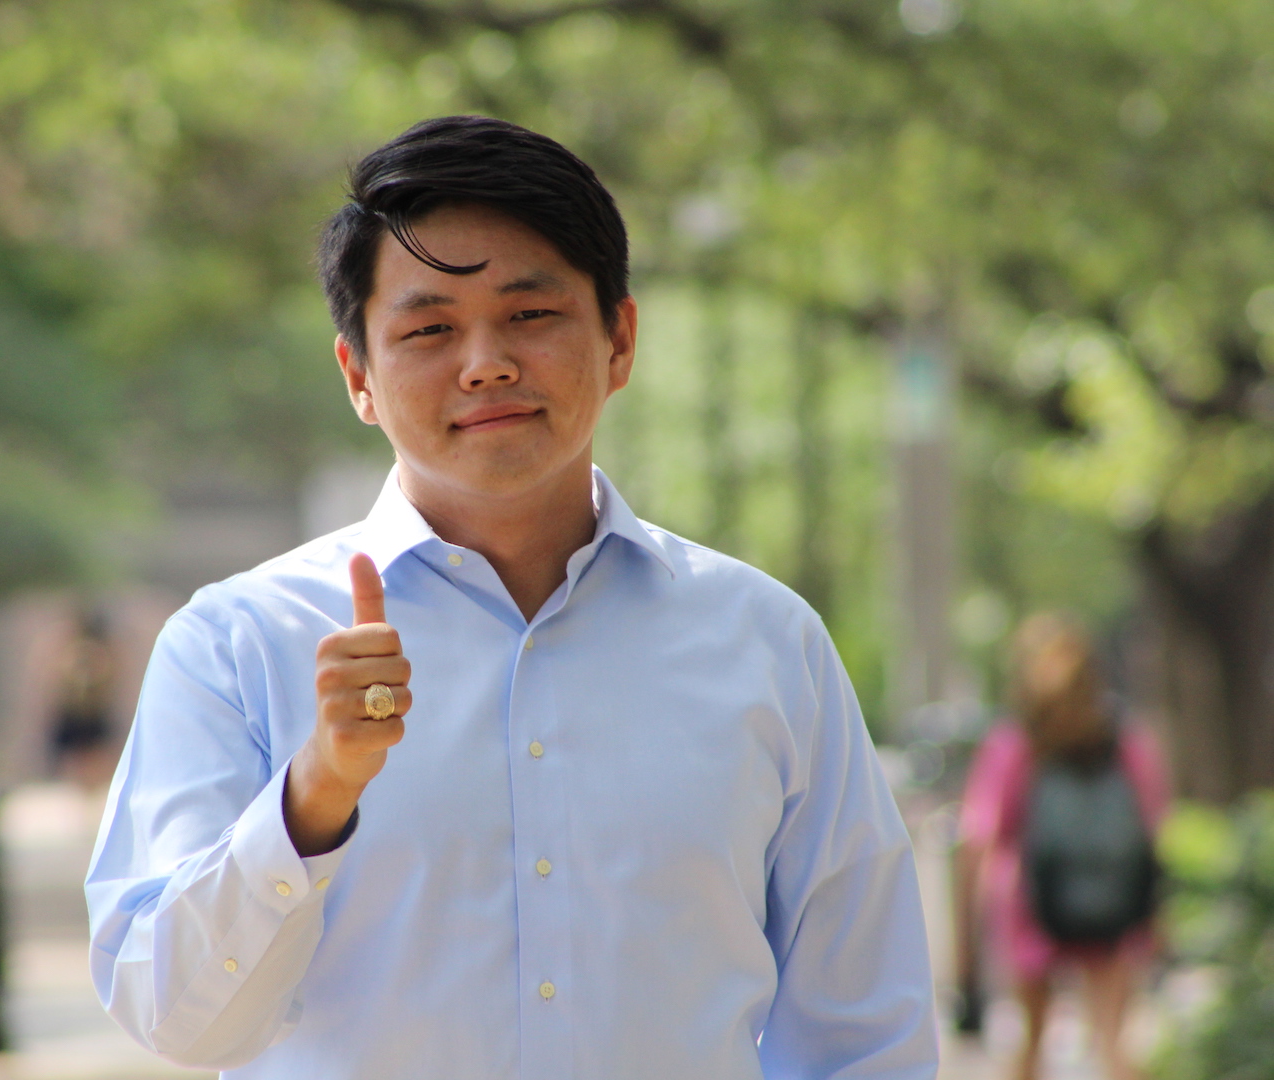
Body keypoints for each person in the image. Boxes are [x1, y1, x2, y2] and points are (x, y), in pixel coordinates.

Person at [86, 116, 936, 1078]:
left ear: (618, 339)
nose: (484, 361)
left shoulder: (767, 643)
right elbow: (175, 1021)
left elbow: (864, 1031)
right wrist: (314, 796)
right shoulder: (236, 645)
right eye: (428, 328)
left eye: (530, 315)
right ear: (358, 375)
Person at [954, 613, 1169, 1080]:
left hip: (1030, 905)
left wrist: (965, 950)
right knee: (1114, 1044)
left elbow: (980, 837)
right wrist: (1158, 918)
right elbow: (1153, 826)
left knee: (1030, 1047)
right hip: (1115, 904)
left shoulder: (1012, 744)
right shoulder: (1124, 740)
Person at [51, 610, 119, 789]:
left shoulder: (98, 652)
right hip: (77, 710)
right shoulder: (77, 651)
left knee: (94, 757)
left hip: (91, 710)